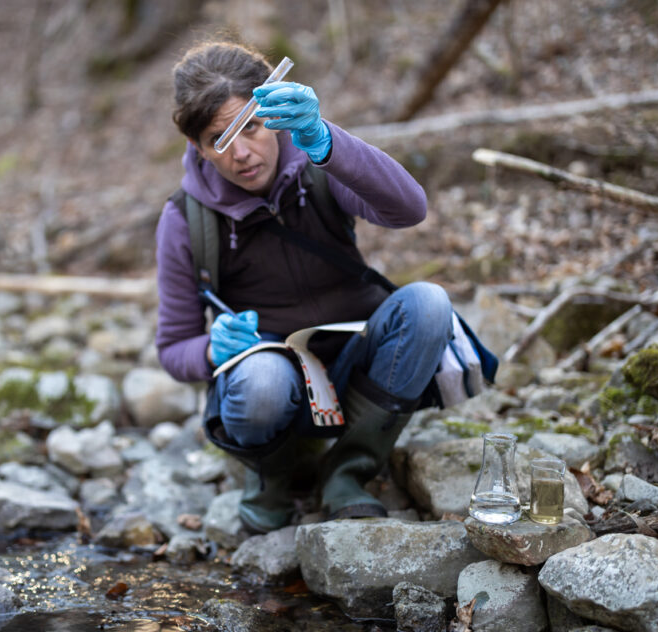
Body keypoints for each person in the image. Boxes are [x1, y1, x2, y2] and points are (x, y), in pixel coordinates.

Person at [155, 40, 453, 533]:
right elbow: (173, 348)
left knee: (429, 303)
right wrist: (212, 349)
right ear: (198, 148)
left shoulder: (317, 162)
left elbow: (409, 209)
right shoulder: (185, 219)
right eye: (220, 139)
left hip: (359, 361)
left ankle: (349, 470)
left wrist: (326, 140)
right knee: (263, 382)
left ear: (273, 112)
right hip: (273, 378)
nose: (243, 154)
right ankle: (273, 475)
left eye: (251, 126)